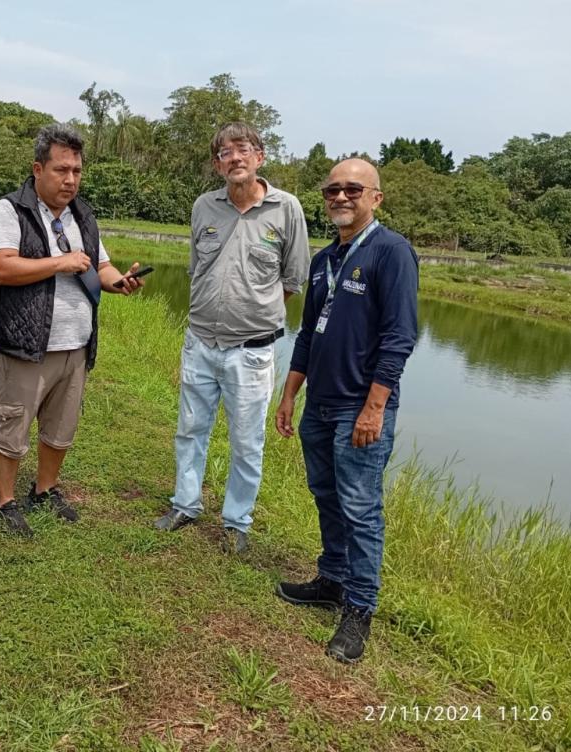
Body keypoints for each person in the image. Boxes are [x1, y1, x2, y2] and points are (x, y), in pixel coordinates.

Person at [274, 158, 419, 664]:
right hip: (320, 404)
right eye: (332, 189)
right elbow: (308, 334)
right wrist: (290, 394)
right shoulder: (322, 261)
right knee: (326, 494)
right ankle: (332, 579)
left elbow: (400, 338)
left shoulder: (391, 252)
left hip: (361, 406)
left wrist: (374, 407)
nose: (340, 197)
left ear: (375, 197)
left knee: (361, 507)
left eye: (353, 189)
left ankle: (359, 609)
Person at [153, 122, 310, 555]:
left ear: (260, 156)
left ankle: (236, 521)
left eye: (244, 149)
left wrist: (253, 312)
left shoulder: (286, 209)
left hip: (252, 351)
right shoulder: (204, 206)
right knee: (190, 430)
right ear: (216, 163)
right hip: (200, 341)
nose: (235, 158)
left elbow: (294, 278)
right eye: (226, 152)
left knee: (246, 441)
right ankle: (185, 504)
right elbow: (196, 268)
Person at [0, 123, 143, 537]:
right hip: (26, 343)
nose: (70, 180)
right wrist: (59, 262)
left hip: (76, 343)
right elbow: (0, 268)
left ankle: (44, 489)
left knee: (60, 427)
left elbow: (98, 265)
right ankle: (5, 500)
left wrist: (118, 281)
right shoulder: (10, 211)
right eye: (61, 170)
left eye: (76, 171)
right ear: (38, 169)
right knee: (11, 424)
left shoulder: (82, 215)